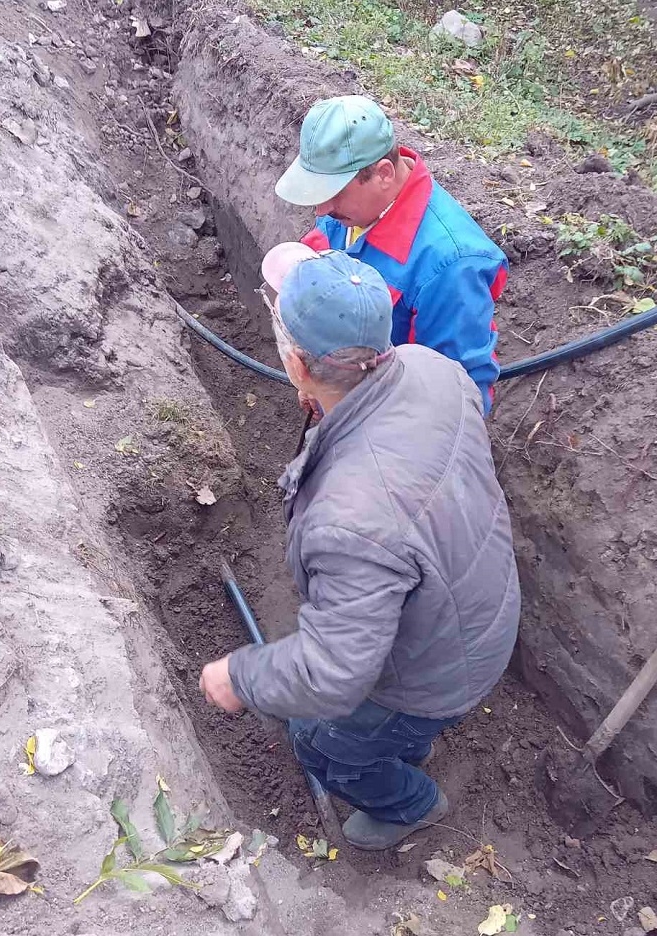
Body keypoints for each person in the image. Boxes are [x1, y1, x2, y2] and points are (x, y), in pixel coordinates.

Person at [200, 247, 521, 850]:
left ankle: (412, 803)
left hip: (440, 672)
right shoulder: (434, 369)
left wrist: (239, 675)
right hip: (480, 613)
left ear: (296, 362)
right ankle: (409, 741)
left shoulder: (351, 520)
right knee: (367, 722)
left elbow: (332, 674)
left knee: (321, 743)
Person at [274, 94, 507, 415]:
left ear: (383, 173)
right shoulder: (348, 210)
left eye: (333, 193)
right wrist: (318, 378)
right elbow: (320, 256)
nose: (321, 209)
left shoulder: (451, 264)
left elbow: (458, 398)